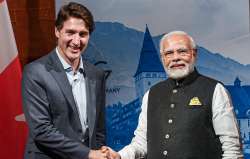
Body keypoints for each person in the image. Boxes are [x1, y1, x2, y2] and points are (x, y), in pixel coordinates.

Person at [104, 31, 244, 159]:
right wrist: (119, 156)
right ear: (163, 58)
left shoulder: (215, 90)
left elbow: (232, 149)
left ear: (194, 54)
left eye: (182, 51)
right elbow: (141, 143)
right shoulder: (151, 94)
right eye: (169, 53)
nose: (175, 58)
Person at [22, 2, 107, 159]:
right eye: (70, 33)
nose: (76, 41)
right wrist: (88, 154)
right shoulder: (35, 72)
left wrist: (99, 152)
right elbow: (41, 130)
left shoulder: (97, 75)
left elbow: (98, 130)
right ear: (57, 31)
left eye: (83, 34)